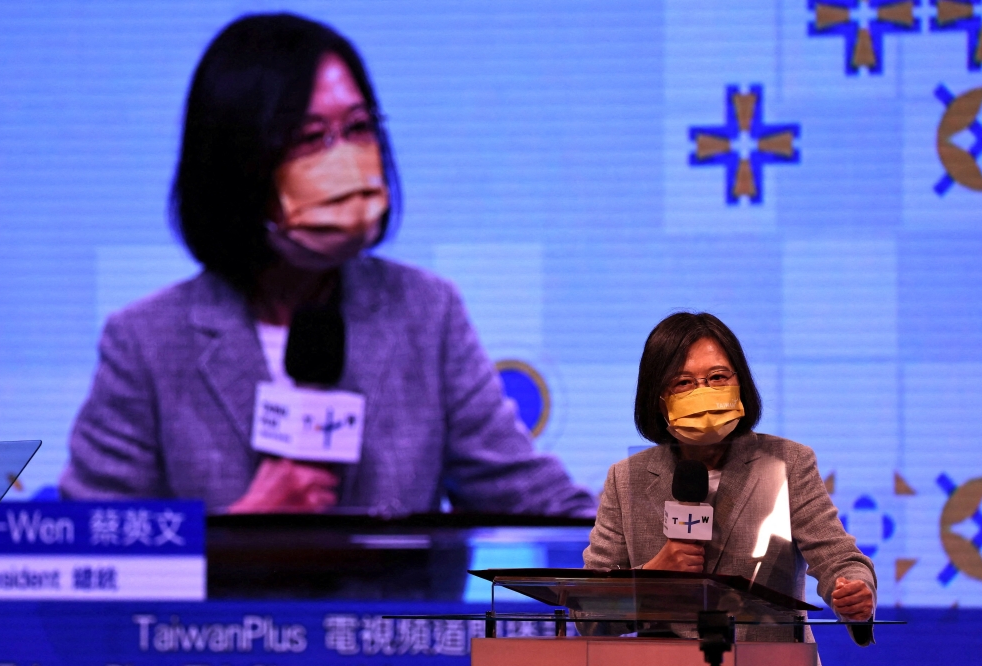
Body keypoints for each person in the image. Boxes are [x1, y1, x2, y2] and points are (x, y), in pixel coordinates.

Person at [59, 13, 595, 518]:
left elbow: (530, 497)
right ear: (233, 162)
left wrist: (649, 547)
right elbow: (95, 552)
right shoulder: (147, 341)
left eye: (359, 128)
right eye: (311, 137)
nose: (345, 161)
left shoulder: (425, 313)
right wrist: (241, 533)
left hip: (389, 621)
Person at [583, 312, 875, 646]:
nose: (704, 392)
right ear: (657, 398)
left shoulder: (787, 463)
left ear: (740, 383)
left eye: (718, 378)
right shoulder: (626, 479)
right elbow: (589, 613)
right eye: (683, 383)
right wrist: (652, 576)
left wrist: (854, 592)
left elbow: (838, 558)